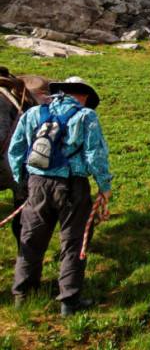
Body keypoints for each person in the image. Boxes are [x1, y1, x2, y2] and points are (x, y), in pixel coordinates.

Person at [8, 77, 113, 317]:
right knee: (73, 242)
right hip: (72, 186)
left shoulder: (34, 113)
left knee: (31, 238)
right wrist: (104, 186)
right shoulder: (87, 116)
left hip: (37, 184)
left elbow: (16, 149)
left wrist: (22, 180)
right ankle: (69, 301)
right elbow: (95, 155)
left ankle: (22, 295)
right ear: (84, 96)